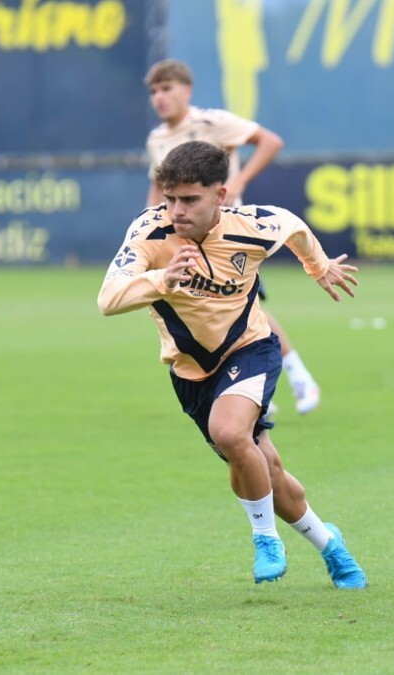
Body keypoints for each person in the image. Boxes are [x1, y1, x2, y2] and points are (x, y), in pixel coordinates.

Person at [98, 140, 366, 588]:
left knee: (229, 433)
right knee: (266, 469)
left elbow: (294, 227)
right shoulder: (149, 232)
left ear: (220, 195)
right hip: (190, 372)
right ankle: (331, 546)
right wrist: (161, 279)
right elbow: (108, 300)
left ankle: (266, 539)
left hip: (250, 349)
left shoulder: (252, 226)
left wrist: (318, 266)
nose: (177, 210)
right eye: (170, 199)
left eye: (190, 199)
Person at [144, 59, 321, 417]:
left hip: (226, 236)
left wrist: (239, 181)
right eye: (154, 91)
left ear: (186, 91)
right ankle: (248, 387)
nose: (159, 97)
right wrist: (147, 233)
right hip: (183, 240)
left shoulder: (211, 123)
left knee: (244, 309)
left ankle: (294, 376)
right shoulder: (157, 139)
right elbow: (158, 190)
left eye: (167, 88)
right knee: (211, 311)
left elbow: (269, 141)